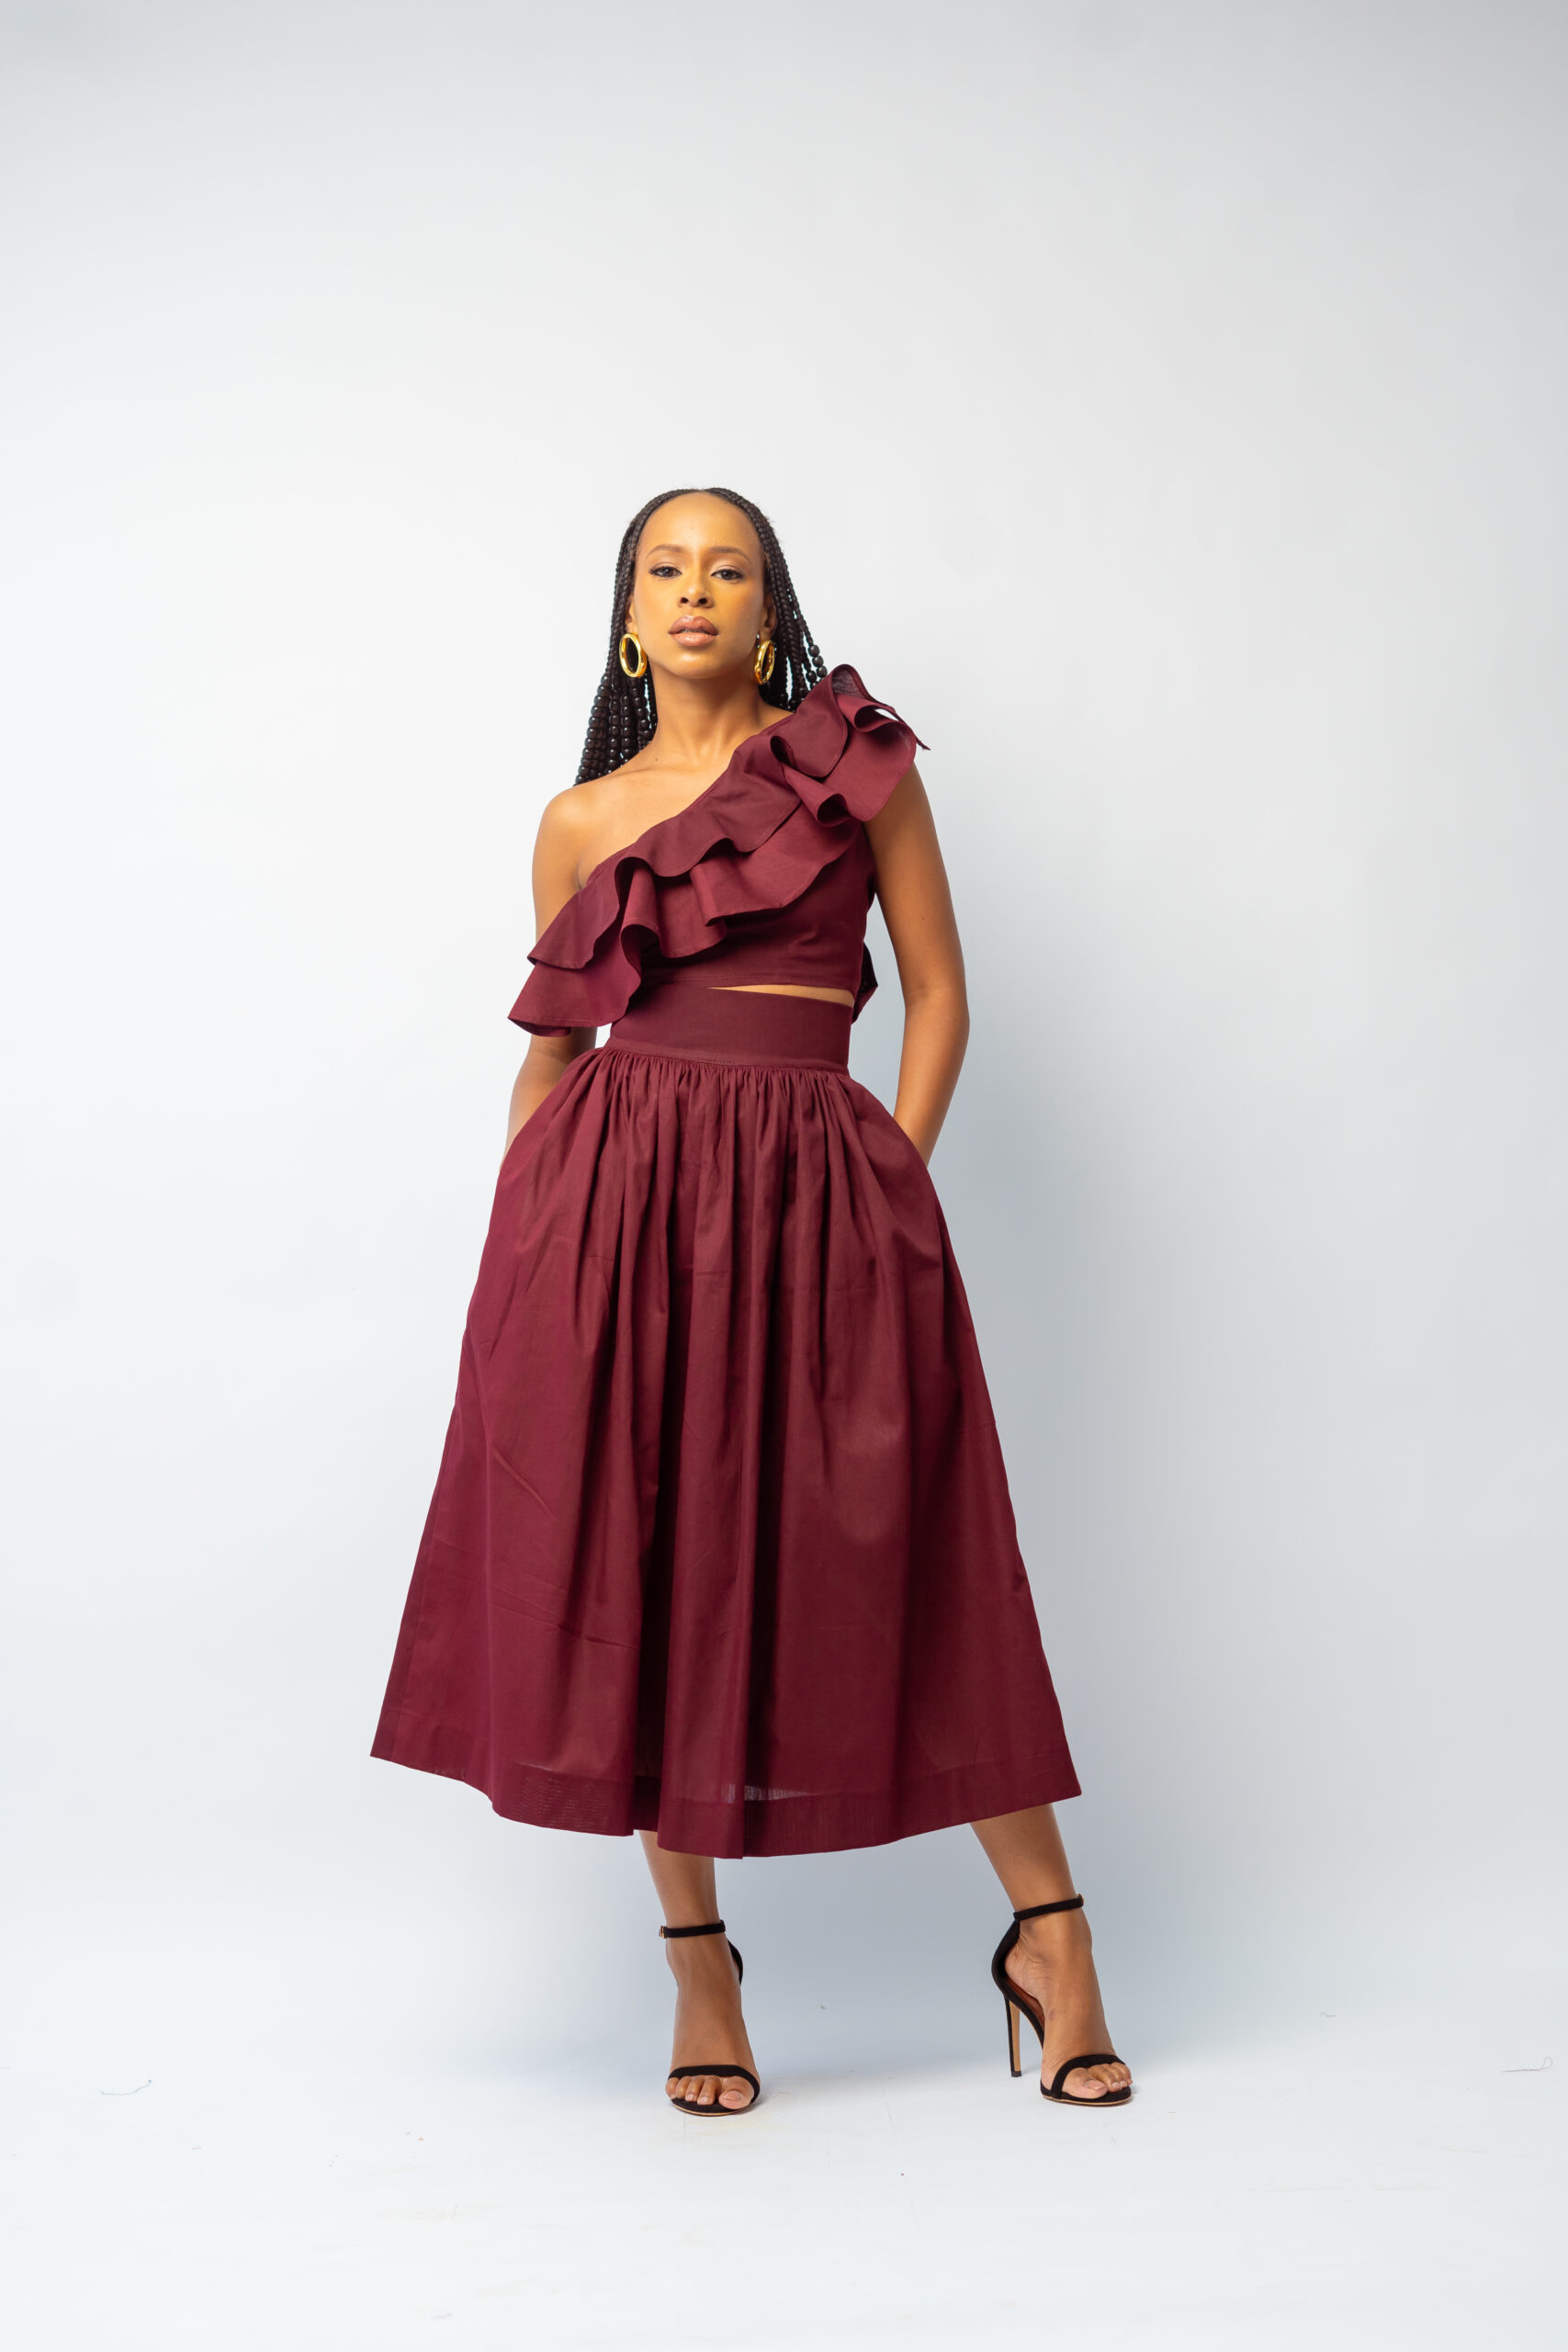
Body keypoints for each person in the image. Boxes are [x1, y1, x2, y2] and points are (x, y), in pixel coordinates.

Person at [372, 487, 1132, 2114]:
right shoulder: (581, 819)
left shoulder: (854, 769)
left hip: (818, 1195)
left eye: (728, 568)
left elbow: (940, 992)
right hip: (611, 1218)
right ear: (629, 614)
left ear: (770, 605)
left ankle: (1052, 1937)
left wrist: (892, 1180)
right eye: (665, 568)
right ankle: (700, 1967)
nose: (694, 590)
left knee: (922, 1553)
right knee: (642, 1563)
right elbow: (554, 1053)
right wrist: (531, 1247)